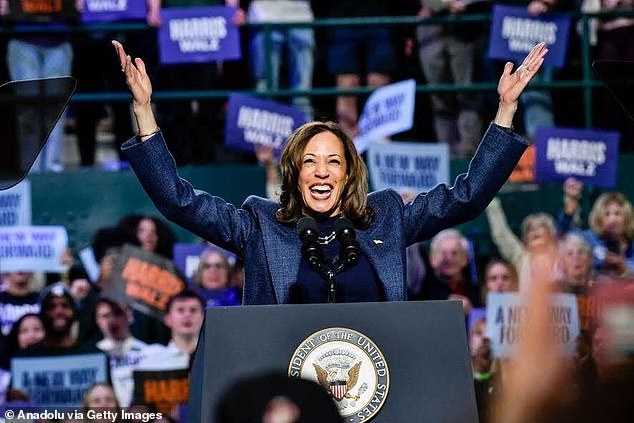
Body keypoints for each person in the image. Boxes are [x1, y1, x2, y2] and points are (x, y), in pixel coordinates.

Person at [113, 39, 549, 305]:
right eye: (310, 161)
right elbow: (178, 200)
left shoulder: (387, 218)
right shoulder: (258, 226)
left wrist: (506, 111)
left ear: (348, 176)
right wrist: (144, 111)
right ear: (294, 174)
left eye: (334, 161)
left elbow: (467, 196)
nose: (322, 172)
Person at [557, 178, 634, 275]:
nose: (613, 220)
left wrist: (624, 267)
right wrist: (570, 204)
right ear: (599, 219)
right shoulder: (589, 240)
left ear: (626, 217)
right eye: (607, 214)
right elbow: (562, 236)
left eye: (617, 214)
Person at [486, 197, 559, 291]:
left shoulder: (562, 257)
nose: (534, 232)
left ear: (550, 233)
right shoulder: (521, 257)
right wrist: (492, 203)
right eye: (529, 229)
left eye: (540, 227)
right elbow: (501, 235)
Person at [95, 297, 150, 408]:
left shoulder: (146, 352)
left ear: (129, 315)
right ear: (98, 320)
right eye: (105, 316)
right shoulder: (93, 355)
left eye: (117, 314)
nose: (112, 321)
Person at [418, 229, 481, 314]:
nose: (449, 259)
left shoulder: (478, 292)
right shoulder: (420, 291)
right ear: (432, 258)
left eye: (454, 253)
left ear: (465, 258)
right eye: (443, 253)